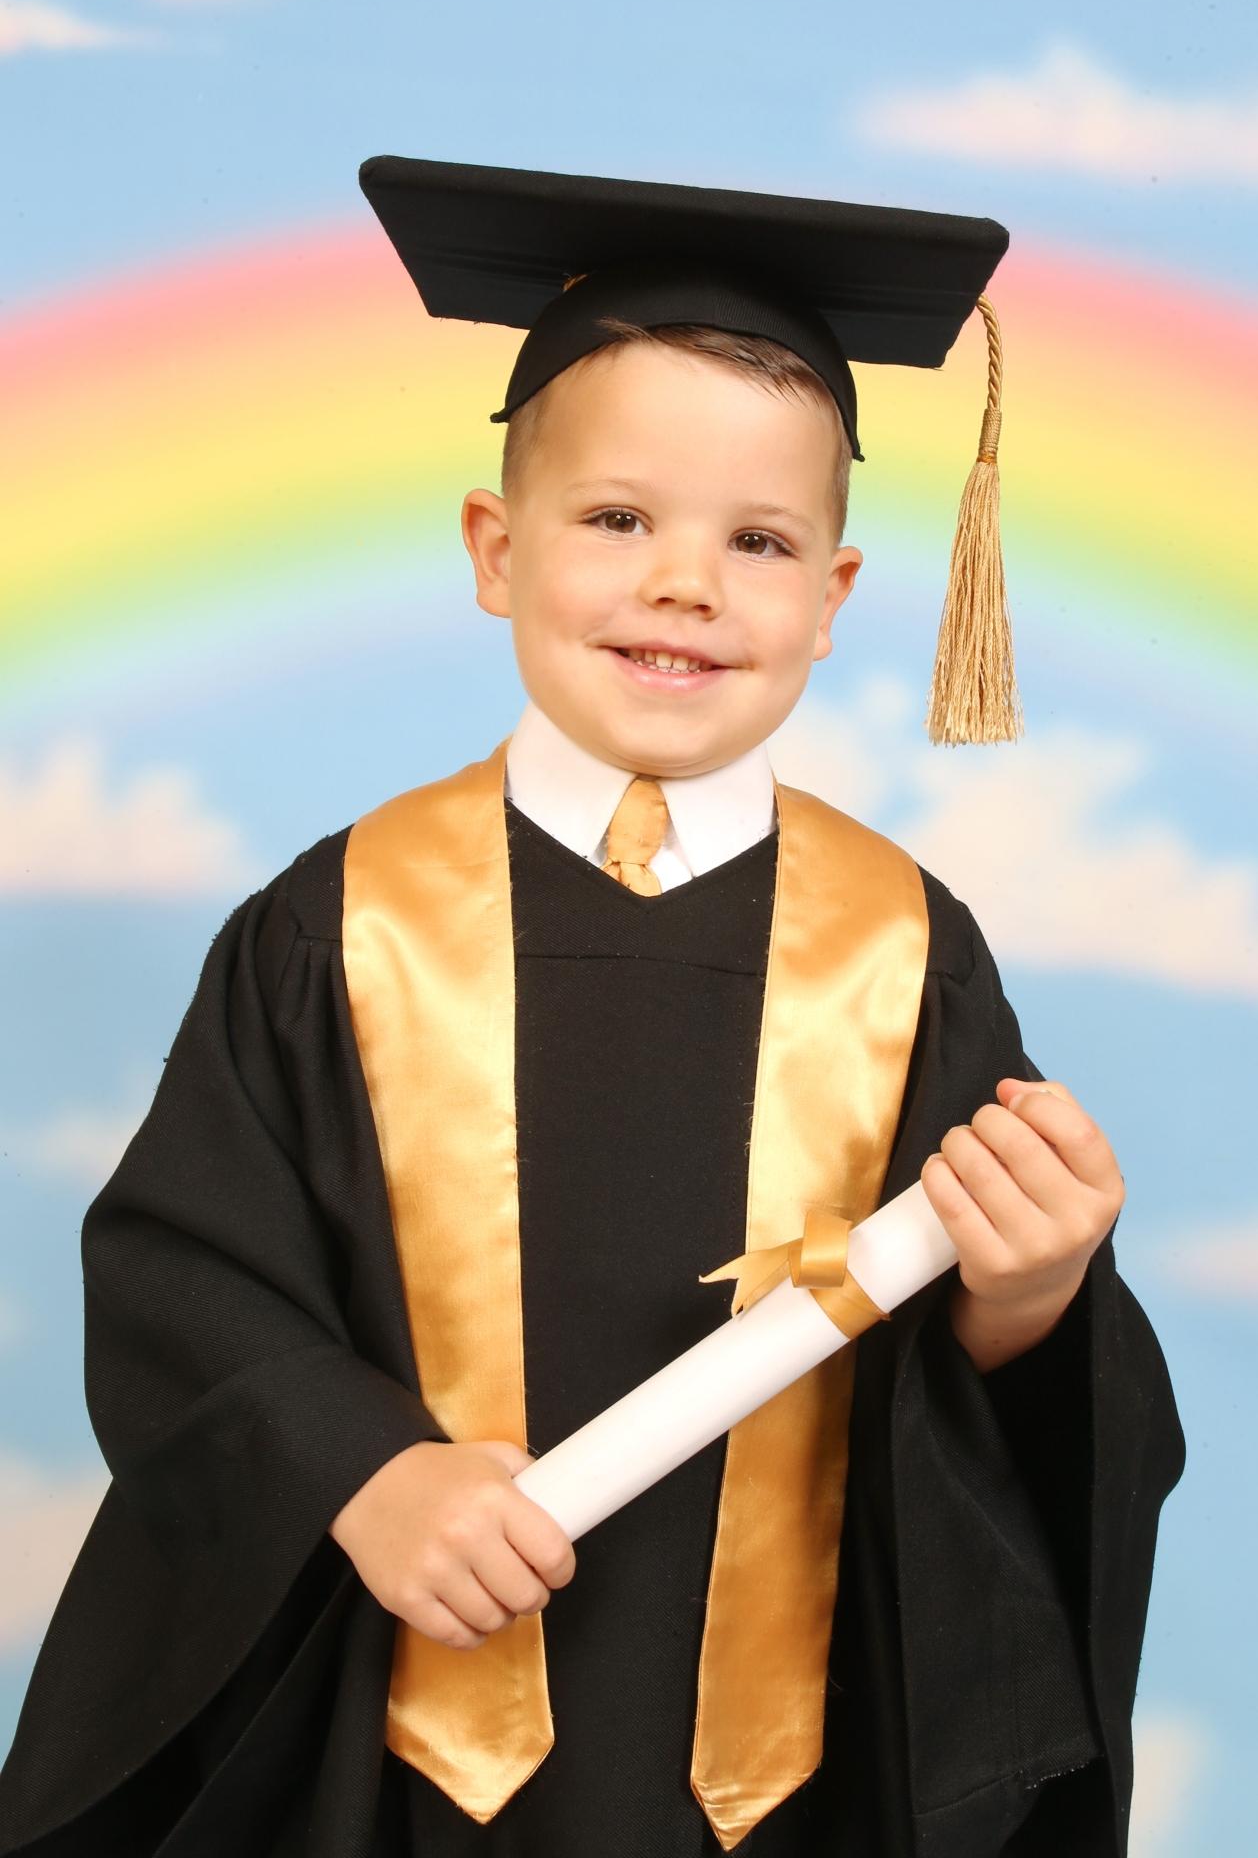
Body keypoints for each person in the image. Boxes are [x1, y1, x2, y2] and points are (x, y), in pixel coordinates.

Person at [0, 159, 1183, 1858]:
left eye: (757, 541)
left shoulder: (902, 950)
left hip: (788, 1777)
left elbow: (995, 1390)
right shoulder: (339, 926)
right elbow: (190, 1273)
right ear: (496, 551)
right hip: (402, 1754)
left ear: (833, 601)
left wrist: (1034, 1291)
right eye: (616, 519)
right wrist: (364, 1472)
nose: (684, 583)